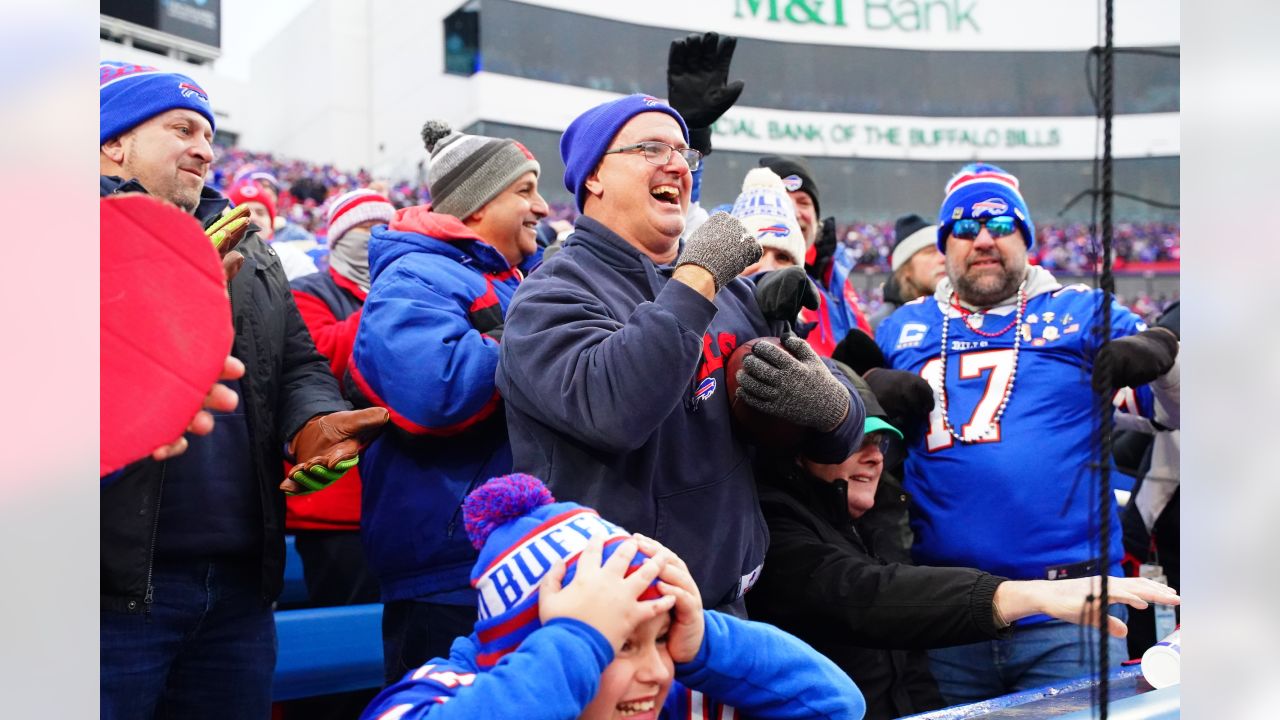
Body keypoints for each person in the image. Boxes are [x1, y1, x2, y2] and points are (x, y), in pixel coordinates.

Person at [495, 94, 864, 615]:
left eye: (684, 154)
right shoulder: (550, 294)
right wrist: (700, 274)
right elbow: (616, 410)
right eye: (650, 148)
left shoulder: (732, 292)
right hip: (612, 620)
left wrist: (832, 408)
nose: (676, 164)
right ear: (594, 176)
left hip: (727, 610)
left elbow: (841, 439)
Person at [99, 60, 389, 720]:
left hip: (236, 588)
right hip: (101, 592)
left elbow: (296, 366)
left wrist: (315, 422)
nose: (204, 147)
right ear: (113, 141)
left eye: (208, 132)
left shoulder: (252, 251)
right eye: (180, 129)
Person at [874, 162, 1180, 703]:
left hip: (1073, 608)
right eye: (965, 229)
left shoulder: (1083, 311)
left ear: (1026, 238)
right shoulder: (902, 326)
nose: (984, 239)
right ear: (945, 247)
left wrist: (1166, 358)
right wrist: (865, 395)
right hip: (950, 607)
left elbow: (1175, 414)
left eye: (1000, 224)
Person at [747, 371, 1181, 719]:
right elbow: (862, 594)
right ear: (800, 451)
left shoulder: (874, 515)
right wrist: (1025, 593)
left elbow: (906, 668)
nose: (874, 455)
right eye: (851, 440)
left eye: (880, 441)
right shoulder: (771, 522)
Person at [359, 473, 866, 720]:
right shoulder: (443, 693)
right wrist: (578, 643)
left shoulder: (666, 697)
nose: (657, 671)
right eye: (621, 644)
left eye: (660, 639)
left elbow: (836, 706)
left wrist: (704, 641)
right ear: (526, 646)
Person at [347, 122, 548, 683]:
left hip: (523, 551)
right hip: (450, 570)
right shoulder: (413, 275)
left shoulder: (519, 278)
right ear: (479, 204)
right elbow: (434, 393)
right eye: (524, 190)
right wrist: (538, 339)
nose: (540, 206)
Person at [287, 188, 398, 609]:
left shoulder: (403, 289)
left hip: (395, 493)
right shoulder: (306, 292)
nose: (377, 237)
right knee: (342, 616)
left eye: (385, 228)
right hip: (333, 500)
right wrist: (387, 301)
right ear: (338, 237)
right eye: (366, 229)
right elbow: (321, 357)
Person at [758, 155, 871, 354]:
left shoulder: (836, 275)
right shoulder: (749, 272)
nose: (794, 212)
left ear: (817, 219)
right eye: (782, 199)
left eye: (803, 202)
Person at [227, 179, 319, 281]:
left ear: (271, 226)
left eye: (260, 212)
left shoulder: (290, 258)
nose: (253, 218)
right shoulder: (213, 258)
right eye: (243, 214)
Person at [868, 213, 945, 333]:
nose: (943, 259)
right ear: (906, 268)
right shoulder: (881, 326)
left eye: (944, 251)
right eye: (930, 252)